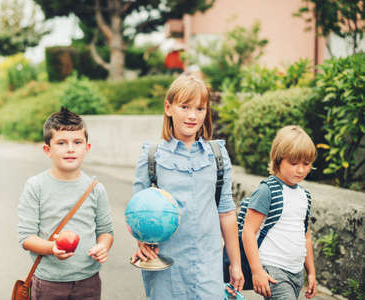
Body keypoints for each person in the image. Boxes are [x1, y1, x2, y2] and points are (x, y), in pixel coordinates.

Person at [130, 74, 244, 299]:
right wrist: (141, 242)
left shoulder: (218, 156)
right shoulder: (151, 157)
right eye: (184, 107)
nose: (193, 116)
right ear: (168, 108)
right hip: (165, 267)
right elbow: (136, 214)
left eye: (200, 109)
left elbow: (227, 213)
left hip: (208, 267)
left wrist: (235, 264)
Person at [18, 107, 114, 300]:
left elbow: (105, 231)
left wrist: (103, 246)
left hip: (89, 280)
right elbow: (26, 237)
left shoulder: (95, 188)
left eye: (77, 142)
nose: (70, 148)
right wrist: (51, 248)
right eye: (61, 143)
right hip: (49, 283)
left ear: (86, 148)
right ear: (47, 150)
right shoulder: (35, 186)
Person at [242, 125, 318, 300]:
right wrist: (257, 271)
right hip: (273, 269)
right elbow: (249, 231)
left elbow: (306, 236)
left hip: (296, 272)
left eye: (306, 164)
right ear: (278, 160)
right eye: (293, 163)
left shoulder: (304, 196)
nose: (300, 170)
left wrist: (311, 273)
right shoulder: (267, 190)